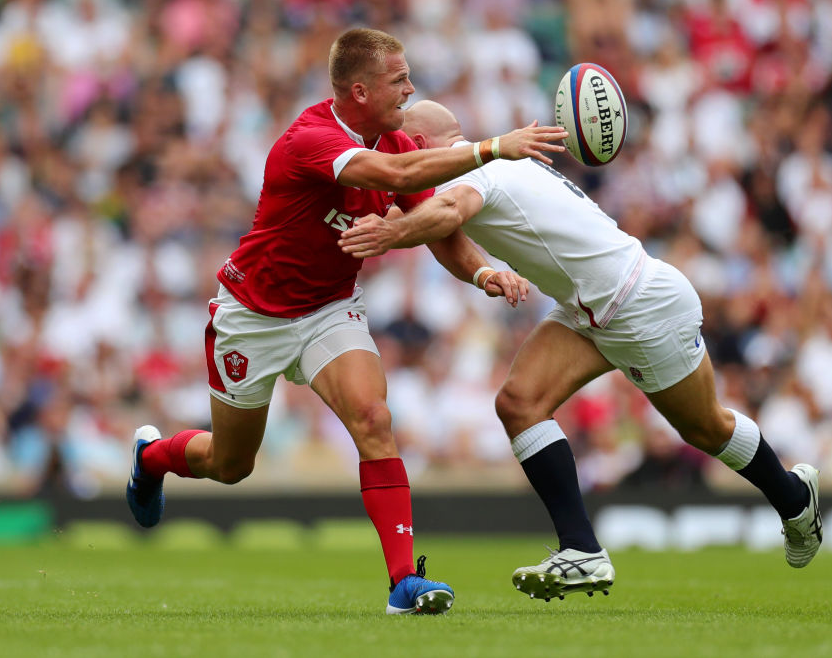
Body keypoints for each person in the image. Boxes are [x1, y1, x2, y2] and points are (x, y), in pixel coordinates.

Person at [125, 30, 568, 615]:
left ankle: (404, 582)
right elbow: (396, 177)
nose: (410, 88)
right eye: (399, 79)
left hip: (329, 311)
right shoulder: (310, 139)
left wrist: (485, 274)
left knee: (373, 418)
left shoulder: (397, 138)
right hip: (252, 316)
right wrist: (490, 147)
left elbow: (437, 225)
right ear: (359, 90)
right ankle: (152, 458)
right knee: (230, 465)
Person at [337, 100, 822, 602]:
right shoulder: (488, 167)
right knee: (518, 403)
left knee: (705, 427)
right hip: (589, 307)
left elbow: (447, 212)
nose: (393, 159)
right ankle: (582, 550)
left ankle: (793, 498)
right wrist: (477, 269)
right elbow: (440, 225)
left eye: (396, 147)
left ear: (416, 147)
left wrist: (391, 233)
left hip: (639, 303)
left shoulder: (481, 174)